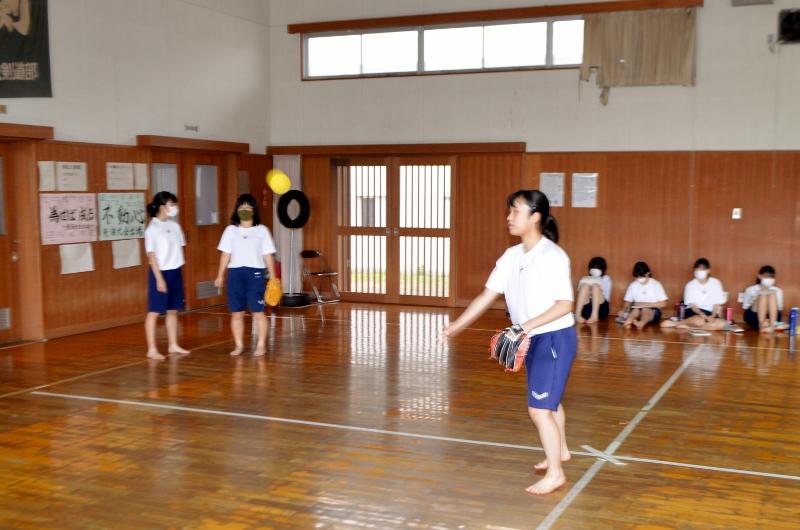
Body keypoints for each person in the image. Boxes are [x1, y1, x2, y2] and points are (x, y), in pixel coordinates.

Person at [443, 189, 576, 496]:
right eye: (509, 211)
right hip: (530, 337)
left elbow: (565, 305)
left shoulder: (552, 256)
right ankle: (561, 451)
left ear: (535, 217)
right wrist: (457, 326)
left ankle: (555, 474)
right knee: (549, 399)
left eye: (516, 211)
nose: (509, 217)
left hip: (554, 338)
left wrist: (522, 327)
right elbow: (486, 295)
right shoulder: (511, 256)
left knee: (539, 409)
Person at [215, 194, 277, 356]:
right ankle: (239, 345)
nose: (245, 210)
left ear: (254, 211)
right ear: (237, 210)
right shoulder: (230, 230)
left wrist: (273, 277)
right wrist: (220, 275)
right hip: (235, 274)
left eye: (248, 207)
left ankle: (261, 345)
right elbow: (225, 254)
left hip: (255, 274)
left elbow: (268, 255)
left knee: (258, 312)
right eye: (242, 207)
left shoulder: (262, 231)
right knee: (237, 313)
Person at [144, 191, 190, 360]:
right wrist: (159, 279)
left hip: (175, 271)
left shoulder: (174, 226)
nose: (174, 207)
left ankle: (173, 344)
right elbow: (151, 256)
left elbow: (180, 247)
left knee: (173, 310)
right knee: (154, 311)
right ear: (163, 206)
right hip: (160, 272)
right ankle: (152, 349)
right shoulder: (152, 229)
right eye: (172, 204)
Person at [661, 258, 727, 330]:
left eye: (702, 269)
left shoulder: (716, 283)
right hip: (695, 311)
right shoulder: (690, 285)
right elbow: (693, 306)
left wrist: (713, 316)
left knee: (722, 324)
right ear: (694, 271)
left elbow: (716, 304)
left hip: (710, 312)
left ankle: (689, 326)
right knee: (699, 321)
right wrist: (702, 314)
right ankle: (676, 323)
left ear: (708, 270)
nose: (699, 271)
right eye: (697, 269)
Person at [619, 261, 668, 329]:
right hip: (637, 308)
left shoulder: (656, 284)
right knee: (636, 310)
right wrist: (623, 310)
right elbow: (628, 301)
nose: (639, 279)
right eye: (637, 277)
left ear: (648, 273)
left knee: (645, 309)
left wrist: (644, 304)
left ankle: (642, 323)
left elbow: (664, 303)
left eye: (641, 277)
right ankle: (629, 320)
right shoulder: (633, 285)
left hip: (653, 311)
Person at [741, 265, 784, 333]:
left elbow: (779, 308)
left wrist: (768, 319)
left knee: (772, 294)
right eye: (766, 276)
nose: (769, 278)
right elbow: (745, 307)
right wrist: (754, 300)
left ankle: (772, 326)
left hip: (772, 317)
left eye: (771, 276)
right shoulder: (750, 289)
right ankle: (762, 326)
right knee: (762, 295)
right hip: (754, 316)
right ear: (759, 276)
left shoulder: (778, 290)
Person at [575, 256, 611, 324]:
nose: (595, 270)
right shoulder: (587, 279)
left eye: (598, 268)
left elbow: (605, 296)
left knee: (595, 286)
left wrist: (596, 280)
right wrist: (584, 281)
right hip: (587, 309)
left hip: (600, 309)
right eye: (593, 268)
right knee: (585, 286)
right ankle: (577, 314)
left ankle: (594, 316)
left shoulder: (606, 278)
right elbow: (581, 293)